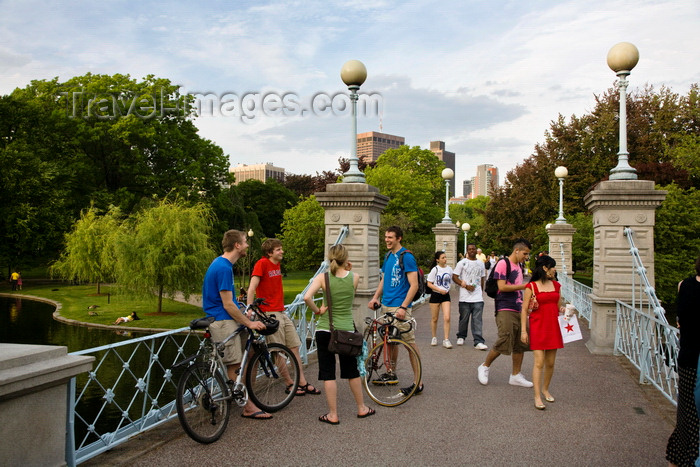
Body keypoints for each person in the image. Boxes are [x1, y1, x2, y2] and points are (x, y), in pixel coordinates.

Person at [202, 229, 272, 420]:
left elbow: (229, 302)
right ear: (237, 245)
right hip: (223, 321)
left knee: (248, 355)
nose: (248, 245)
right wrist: (249, 322)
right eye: (245, 242)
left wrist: (243, 311)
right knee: (234, 365)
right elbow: (226, 304)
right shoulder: (224, 268)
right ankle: (248, 407)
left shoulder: (220, 263)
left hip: (225, 318)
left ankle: (243, 395)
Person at [304, 244, 374, 424]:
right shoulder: (354, 277)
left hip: (325, 330)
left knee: (328, 373)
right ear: (346, 259)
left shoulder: (322, 278)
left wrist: (318, 311)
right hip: (346, 331)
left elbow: (306, 298)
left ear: (329, 258)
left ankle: (333, 414)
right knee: (351, 371)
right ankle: (361, 408)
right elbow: (351, 292)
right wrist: (348, 270)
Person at [247, 238, 321, 397]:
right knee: (278, 350)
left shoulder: (277, 265)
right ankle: (289, 383)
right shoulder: (262, 264)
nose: (282, 252)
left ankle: (302, 382)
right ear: (269, 253)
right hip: (269, 314)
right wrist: (250, 307)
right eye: (278, 249)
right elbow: (252, 287)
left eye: (281, 249)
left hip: (281, 312)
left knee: (294, 347)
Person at [368, 226, 423, 394]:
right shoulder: (388, 256)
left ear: (399, 238)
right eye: (385, 237)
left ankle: (418, 383)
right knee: (389, 341)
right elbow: (384, 279)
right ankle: (391, 373)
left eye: (390, 237)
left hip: (400, 307)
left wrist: (403, 307)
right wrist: (375, 297)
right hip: (386, 305)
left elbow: (414, 285)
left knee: (409, 344)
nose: (387, 240)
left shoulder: (406, 257)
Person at [477, 238, 533, 388]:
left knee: (521, 342)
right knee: (504, 338)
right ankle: (485, 366)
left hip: (519, 307)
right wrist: (524, 286)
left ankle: (515, 375)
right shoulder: (503, 263)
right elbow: (502, 287)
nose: (526, 256)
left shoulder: (519, 265)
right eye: (525, 253)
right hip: (504, 307)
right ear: (517, 250)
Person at [666, 255, 700, 466]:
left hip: (687, 357)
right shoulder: (684, 285)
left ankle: (679, 458)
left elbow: (682, 320)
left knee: (687, 413)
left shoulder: (683, 285)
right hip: (693, 359)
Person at [519, 255, 565, 410]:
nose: (555, 269)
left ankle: (546, 389)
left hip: (553, 326)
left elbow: (559, 306)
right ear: (545, 268)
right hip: (538, 326)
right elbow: (524, 310)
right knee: (539, 362)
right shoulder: (531, 287)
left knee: (550, 363)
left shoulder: (557, 285)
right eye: (553, 266)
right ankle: (537, 396)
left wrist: (565, 310)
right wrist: (524, 331)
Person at [453, 243, 488, 350]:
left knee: (477, 320)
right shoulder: (462, 263)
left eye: (473, 249)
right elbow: (454, 277)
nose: (472, 250)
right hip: (465, 296)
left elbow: (482, 278)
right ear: (467, 251)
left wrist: (481, 291)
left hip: (477, 296)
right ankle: (461, 336)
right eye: (470, 249)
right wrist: (464, 285)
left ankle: (478, 341)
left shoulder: (481, 263)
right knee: (464, 318)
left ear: (476, 250)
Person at [427, 251, 454, 348]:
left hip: (446, 295)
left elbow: (452, 279)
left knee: (447, 317)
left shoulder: (449, 269)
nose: (445, 259)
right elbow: (429, 283)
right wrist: (439, 289)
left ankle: (446, 339)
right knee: (435, 318)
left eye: (445, 257)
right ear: (437, 260)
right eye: (443, 258)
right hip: (436, 294)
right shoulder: (435, 270)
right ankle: (434, 337)